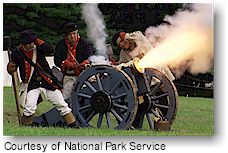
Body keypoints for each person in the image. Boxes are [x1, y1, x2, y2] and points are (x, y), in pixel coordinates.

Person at [7, 30, 79, 128]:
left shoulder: (39, 48)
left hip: (47, 82)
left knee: (62, 105)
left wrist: (37, 40)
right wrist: (10, 68)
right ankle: (25, 127)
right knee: (29, 108)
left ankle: (74, 126)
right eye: (29, 43)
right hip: (32, 84)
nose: (32, 45)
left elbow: (50, 50)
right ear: (23, 43)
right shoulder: (17, 53)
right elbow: (12, 69)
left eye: (33, 42)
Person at [54, 22, 94, 101]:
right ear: (66, 36)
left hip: (83, 74)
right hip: (69, 75)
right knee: (66, 97)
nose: (72, 36)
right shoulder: (61, 44)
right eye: (69, 34)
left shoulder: (84, 43)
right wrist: (65, 63)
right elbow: (56, 60)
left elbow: (90, 57)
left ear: (77, 33)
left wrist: (85, 63)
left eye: (74, 33)